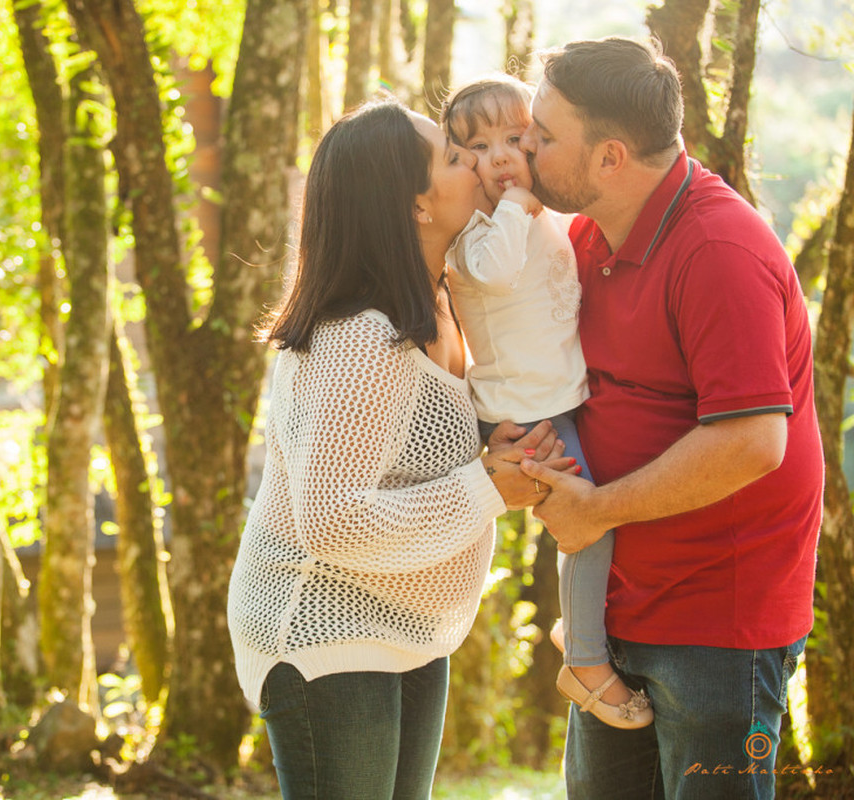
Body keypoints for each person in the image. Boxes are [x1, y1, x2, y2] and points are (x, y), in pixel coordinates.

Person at [226, 95, 573, 799]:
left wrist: (485, 436)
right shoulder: (359, 335)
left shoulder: (441, 299)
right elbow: (334, 519)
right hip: (326, 629)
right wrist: (488, 488)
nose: (477, 161)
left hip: (410, 625)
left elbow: (401, 442)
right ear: (415, 205)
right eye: (453, 156)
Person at [517, 37, 824, 799]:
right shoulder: (585, 236)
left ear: (610, 157)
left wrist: (597, 509)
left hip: (718, 618)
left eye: (545, 135)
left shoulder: (719, 249)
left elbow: (755, 441)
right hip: (617, 602)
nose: (527, 145)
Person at [439, 75, 652, 730]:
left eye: (515, 137)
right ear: (455, 162)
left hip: (560, 398)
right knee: (587, 525)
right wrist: (518, 203)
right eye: (477, 145)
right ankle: (584, 659)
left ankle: (584, 637)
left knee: (588, 523)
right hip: (521, 408)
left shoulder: (539, 212)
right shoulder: (475, 235)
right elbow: (498, 269)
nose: (500, 154)